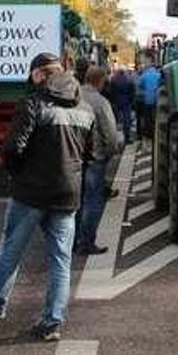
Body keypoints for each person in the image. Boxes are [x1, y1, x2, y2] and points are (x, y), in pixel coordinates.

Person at [0, 52, 94, 343]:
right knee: (60, 260)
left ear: (38, 74)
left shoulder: (33, 102)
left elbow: (12, 148)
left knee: (11, 250)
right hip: (68, 195)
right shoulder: (84, 107)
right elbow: (92, 152)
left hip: (30, 194)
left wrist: (16, 174)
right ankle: (52, 322)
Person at [75, 65, 118, 255]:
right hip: (94, 158)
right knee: (92, 201)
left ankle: (72, 239)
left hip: (73, 157)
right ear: (101, 81)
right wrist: (108, 154)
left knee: (75, 201)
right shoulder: (101, 102)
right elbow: (110, 135)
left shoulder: (72, 97)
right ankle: (85, 241)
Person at [135, 54, 161, 150]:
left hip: (147, 102)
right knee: (156, 120)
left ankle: (147, 141)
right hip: (157, 102)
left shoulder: (144, 76)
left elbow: (140, 87)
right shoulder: (159, 75)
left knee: (147, 121)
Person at [107, 65, 135, 145]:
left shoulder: (114, 80)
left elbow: (110, 91)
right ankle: (127, 137)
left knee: (115, 120)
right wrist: (131, 101)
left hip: (116, 102)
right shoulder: (128, 80)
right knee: (127, 120)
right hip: (126, 102)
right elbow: (132, 91)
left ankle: (114, 139)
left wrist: (112, 101)